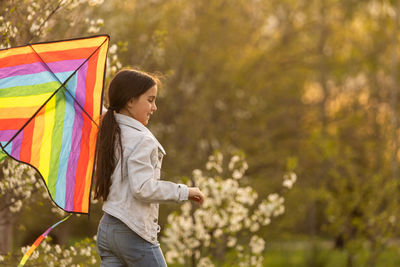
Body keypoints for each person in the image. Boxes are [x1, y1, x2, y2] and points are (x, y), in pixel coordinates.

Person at [94, 69, 205, 267]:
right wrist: (185, 192)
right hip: (132, 231)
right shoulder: (141, 139)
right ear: (130, 101)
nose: (154, 107)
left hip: (107, 230)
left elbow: (102, 110)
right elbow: (142, 188)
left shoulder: (108, 130)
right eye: (150, 100)